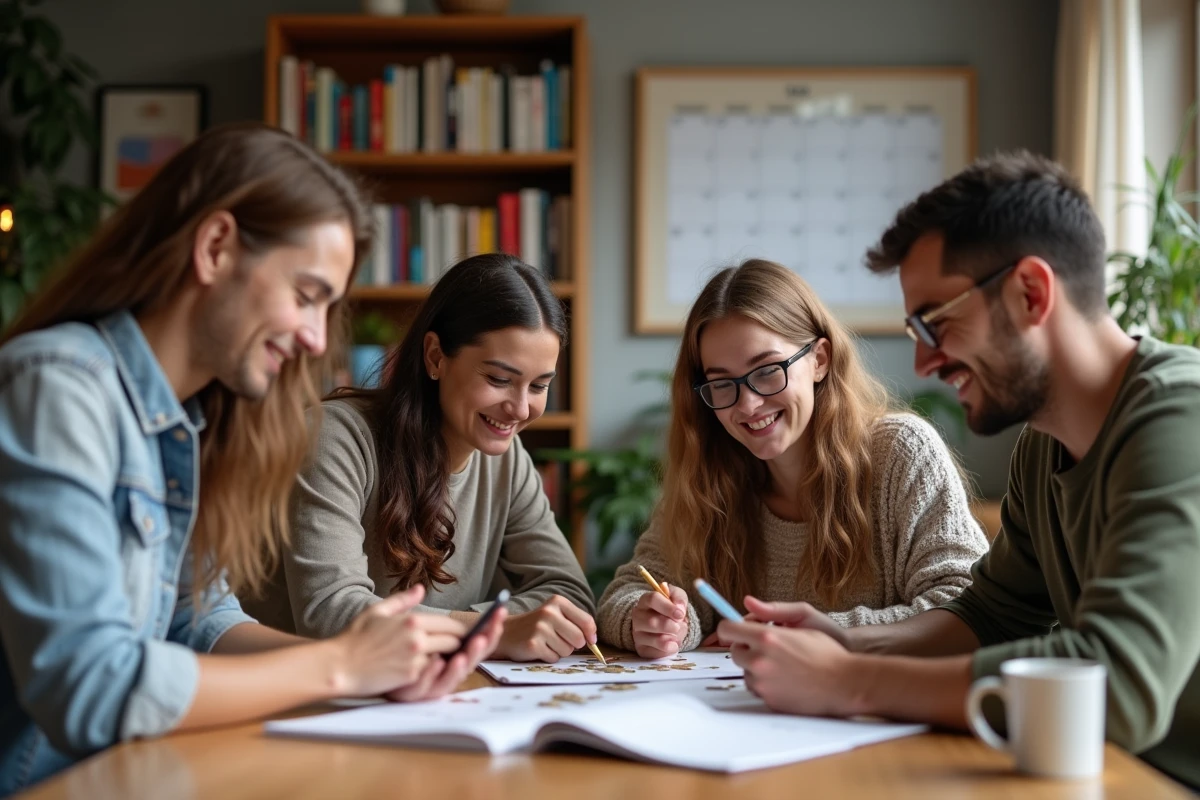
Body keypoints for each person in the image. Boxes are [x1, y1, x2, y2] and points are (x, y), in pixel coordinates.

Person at [0, 124, 502, 796]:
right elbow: (87, 685)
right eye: (305, 295)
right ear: (215, 248)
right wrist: (339, 670)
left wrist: (369, 667)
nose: (315, 338)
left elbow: (199, 621)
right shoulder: (57, 388)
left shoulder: (191, 422)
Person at [718, 152, 1200, 790]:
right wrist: (842, 639)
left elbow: (1119, 684)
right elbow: (991, 616)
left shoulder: (1180, 418)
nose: (923, 361)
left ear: (1031, 292)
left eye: (936, 322)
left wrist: (849, 682)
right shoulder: (1043, 444)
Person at [596, 259, 989, 658]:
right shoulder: (710, 472)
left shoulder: (902, 453)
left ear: (819, 360)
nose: (748, 404)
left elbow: (967, 608)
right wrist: (659, 622)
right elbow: (626, 594)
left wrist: (818, 633)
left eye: (766, 370)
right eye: (721, 383)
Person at [268, 252, 597, 664]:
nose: (519, 408)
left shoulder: (507, 459)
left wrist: (481, 629)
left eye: (538, 386)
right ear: (435, 357)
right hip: (293, 697)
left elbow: (569, 594)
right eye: (499, 379)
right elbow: (329, 613)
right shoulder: (333, 436)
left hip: (420, 693)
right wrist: (489, 631)